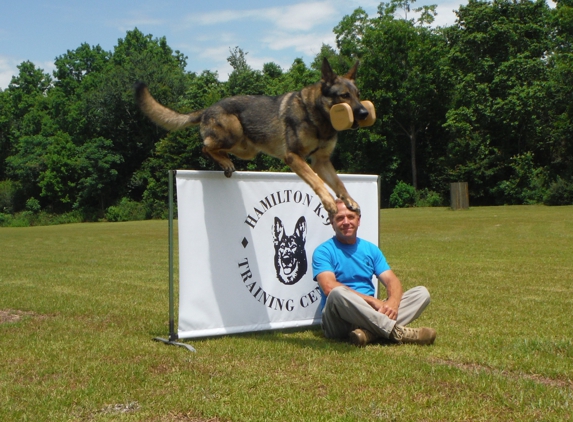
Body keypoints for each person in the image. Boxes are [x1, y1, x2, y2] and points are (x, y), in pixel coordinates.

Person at [312, 199, 436, 347]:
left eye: (351, 217)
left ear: (359, 220)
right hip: (339, 320)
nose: (346, 222)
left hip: (370, 314)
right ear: (332, 222)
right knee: (337, 293)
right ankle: (397, 332)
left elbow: (392, 281)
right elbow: (328, 287)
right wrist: (372, 301)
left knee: (421, 293)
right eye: (340, 218)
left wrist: (393, 303)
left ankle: (367, 334)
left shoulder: (370, 249)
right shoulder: (323, 251)